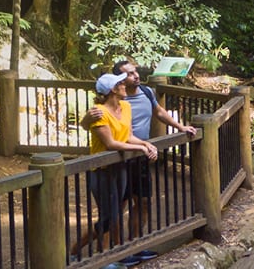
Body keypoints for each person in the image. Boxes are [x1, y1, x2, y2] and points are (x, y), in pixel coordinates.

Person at [85, 59, 197, 265]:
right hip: (120, 158)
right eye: (129, 74)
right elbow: (97, 129)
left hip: (139, 155)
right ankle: (117, 252)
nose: (135, 76)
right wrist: (141, 146)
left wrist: (181, 128)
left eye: (135, 72)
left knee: (143, 201)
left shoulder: (144, 93)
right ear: (117, 82)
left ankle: (134, 245)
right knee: (117, 207)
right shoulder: (105, 108)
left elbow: (159, 112)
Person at [71, 73, 158, 260]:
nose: (124, 85)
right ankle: (89, 253)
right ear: (112, 89)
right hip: (102, 171)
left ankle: (110, 254)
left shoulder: (125, 106)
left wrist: (145, 144)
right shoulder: (99, 112)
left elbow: (128, 135)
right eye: (121, 83)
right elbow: (110, 143)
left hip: (120, 167)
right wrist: (140, 148)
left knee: (115, 213)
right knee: (109, 217)